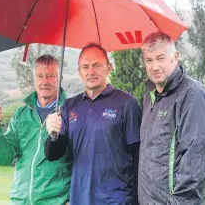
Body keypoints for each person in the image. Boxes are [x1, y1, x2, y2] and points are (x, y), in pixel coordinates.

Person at [44, 43, 141, 205]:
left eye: (97, 65)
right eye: (85, 67)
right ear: (80, 72)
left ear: (108, 68)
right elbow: (53, 154)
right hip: (80, 198)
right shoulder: (69, 106)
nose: (91, 71)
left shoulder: (126, 103)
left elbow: (137, 156)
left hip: (117, 199)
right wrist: (52, 134)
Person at [138, 32, 205, 205]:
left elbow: (197, 169)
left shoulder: (193, 95)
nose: (154, 66)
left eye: (160, 58)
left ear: (175, 57)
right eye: (149, 60)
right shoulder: (149, 98)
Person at [0, 54, 71, 205]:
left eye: (51, 76)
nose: (45, 81)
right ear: (34, 79)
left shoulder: (71, 113)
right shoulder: (21, 114)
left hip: (55, 202)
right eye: (40, 76)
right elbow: (5, 157)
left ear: (60, 79)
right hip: (20, 200)